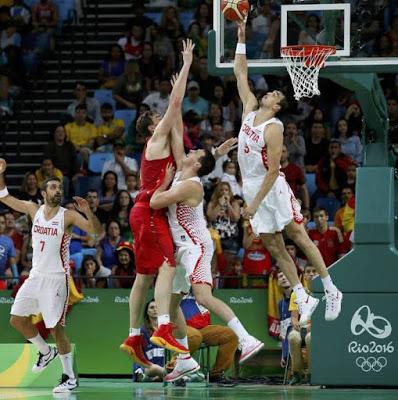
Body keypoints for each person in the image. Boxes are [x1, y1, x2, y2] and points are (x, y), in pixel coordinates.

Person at [233, 18, 342, 325]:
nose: (266, 94)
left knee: (297, 235)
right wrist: (241, 38)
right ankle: (302, 294)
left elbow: (271, 171)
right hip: (251, 186)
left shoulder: (274, 127)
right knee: (274, 246)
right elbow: (240, 73)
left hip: (271, 187)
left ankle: (330, 288)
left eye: (273, 96)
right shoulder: (250, 109)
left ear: (277, 105)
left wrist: (253, 204)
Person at [150, 142, 264, 382]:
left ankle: (246, 339)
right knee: (171, 307)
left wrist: (162, 182)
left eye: (194, 153)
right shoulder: (184, 174)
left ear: (197, 163)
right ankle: (183, 361)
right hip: (181, 249)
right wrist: (218, 151)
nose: (189, 152)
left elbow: (154, 202)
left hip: (197, 246)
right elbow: (202, 159)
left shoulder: (190, 185)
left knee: (203, 296)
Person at [120, 40, 195, 367]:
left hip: (143, 210)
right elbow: (175, 102)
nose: (161, 116)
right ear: (152, 126)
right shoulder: (156, 137)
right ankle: (164, 325)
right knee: (167, 266)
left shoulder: (157, 144)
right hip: (150, 211)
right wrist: (188, 64)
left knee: (143, 275)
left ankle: (134, 334)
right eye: (157, 116)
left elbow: (176, 116)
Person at [0, 159, 103, 394]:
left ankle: (69, 376)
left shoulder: (68, 216)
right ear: (45, 192)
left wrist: (87, 211)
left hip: (57, 278)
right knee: (16, 319)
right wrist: (1, 173)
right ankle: (46, 352)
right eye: (53, 187)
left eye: (60, 187)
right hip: (35, 276)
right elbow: (4, 196)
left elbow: (96, 232)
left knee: (56, 328)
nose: (58, 190)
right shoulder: (32, 209)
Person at [288, 264, 317, 385]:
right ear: (304, 276)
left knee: (310, 338)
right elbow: (294, 317)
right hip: (302, 327)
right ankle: (297, 374)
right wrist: (295, 324)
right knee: (293, 337)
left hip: (316, 328)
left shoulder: (322, 293)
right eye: (308, 272)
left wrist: (312, 327)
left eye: (314, 271)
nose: (311, 274)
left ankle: (311, 374)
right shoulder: (296, 293)